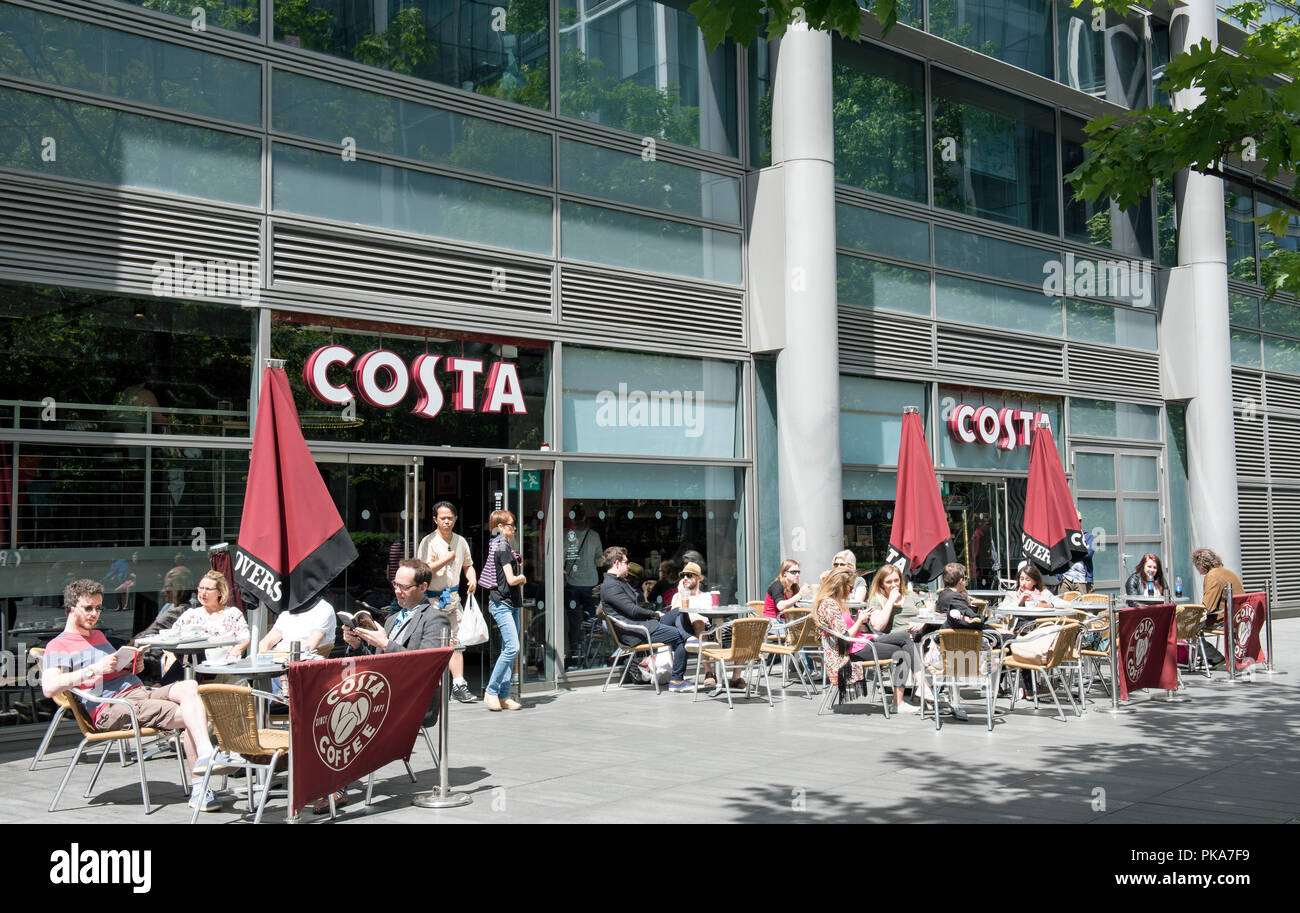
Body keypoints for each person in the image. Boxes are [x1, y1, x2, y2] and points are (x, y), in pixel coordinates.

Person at [42, 579, 226, 812]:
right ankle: (201, 784)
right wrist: (94, 669)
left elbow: (115, 670)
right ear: (71, 608)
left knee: (189, 687)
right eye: (88, 608)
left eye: (98, 608)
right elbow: (49, 687)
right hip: (111, 707)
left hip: (139, 692)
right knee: (191, 715)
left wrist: (132, 665)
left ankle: (204, 755)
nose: (94, 614)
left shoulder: (98, 636)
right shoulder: (59, 645)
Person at [339, 558, 450, 813]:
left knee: (348, 711)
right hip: (383, 694)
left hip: (414, 702)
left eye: (404, 587)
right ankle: (328, 780)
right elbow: (377, 666)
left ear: (423, 587)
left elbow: (425, 666)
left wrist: (385, 643)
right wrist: (357, 644)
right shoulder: (391, 619)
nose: (397, 591)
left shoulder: (435, 619)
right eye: (395, 584)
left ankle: (335, 784)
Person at [599, 545, 695, 693]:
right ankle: (677, 680)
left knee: (678, 611)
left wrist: (653, 614)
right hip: (635, 632)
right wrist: (655, 614)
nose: (628, 565)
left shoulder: (618, 581)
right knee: (679, 637)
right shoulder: (611, 586)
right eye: (625, 562)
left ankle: (689, 637)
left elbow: (633, 608)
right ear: (617, 563)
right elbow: (632, 610)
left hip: (643, 625)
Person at [415, 500, 478, 703]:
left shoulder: (461, 541)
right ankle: (430, 686)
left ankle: (459, 685)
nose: (446, 522)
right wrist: (446, 559)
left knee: (457, 643)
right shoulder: (428, 542)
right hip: (433, 601)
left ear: (455, 519)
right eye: (442, 518)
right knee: (434, 645)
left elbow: (468, 564)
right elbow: (422, 570)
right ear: (435, 519)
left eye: (450, 518)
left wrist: (472, 578)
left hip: (453, 598)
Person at [480, 510, 526, 710]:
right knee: (512, 648)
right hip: (503, 603)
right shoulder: (503, 548)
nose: (514, 528)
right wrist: (522, 578)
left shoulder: (497, 545)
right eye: (510, 524)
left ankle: (504, 695)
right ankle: (491, 691)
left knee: (509, 649)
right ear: (500, 527)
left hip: (508, 603)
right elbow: (511, 579)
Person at [164, 570, 249, 665]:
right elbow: (168, 638)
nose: (203, 593)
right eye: (201, 588)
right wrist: (171, 657)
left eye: (208, 589)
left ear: (220, 592)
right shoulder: (191, 614)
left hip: (223, 664)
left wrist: (234, 653)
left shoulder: (232, 613)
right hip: (194, 663)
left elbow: (245, 638)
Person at [563, 504, 604, 659]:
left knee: (574, 620)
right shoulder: (594, 535)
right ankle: (592, 652)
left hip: (572, 583)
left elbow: (560, 557)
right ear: (585, 517)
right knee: (592, 619)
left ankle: (576, 651)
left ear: (572, 517)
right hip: (591, 583)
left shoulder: (567, 535)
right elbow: (599, 560)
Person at [1192, 547, 1242, 670]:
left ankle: (1214, 657)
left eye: (1196, 565)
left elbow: (1207, 606)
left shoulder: (1212, 576)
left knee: (1186, 627)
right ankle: (1211, 657)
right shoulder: (1226, 572)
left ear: (1201, 564)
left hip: (1225, 619)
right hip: (1239, 616)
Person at [257, 595, 336, 659]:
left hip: (301, 663)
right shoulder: (288, 609)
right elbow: (267, 641)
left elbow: (310, 646)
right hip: (276, 659)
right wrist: (263, 655)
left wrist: (276, 653)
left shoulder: (324, 609)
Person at [1059, 513, 1095, 594]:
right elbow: (1060, 554)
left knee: (1083, 605)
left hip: (1082, 578)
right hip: (1065, 578)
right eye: (1075, 520)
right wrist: (1082, 549)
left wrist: (1070, 551)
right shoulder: (1063, 536)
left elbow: (1088, 555)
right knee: (1064, 605)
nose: (1078, 523)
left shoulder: (1088, 537)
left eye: (1080, 520)